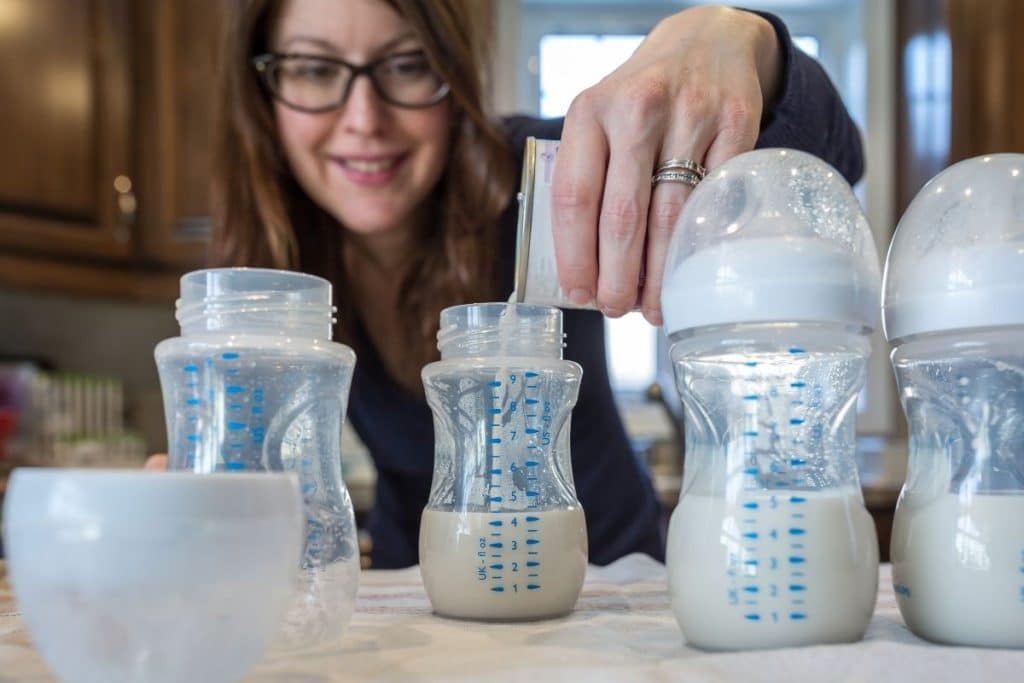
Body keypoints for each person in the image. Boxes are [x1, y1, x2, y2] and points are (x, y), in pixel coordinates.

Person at [148, 0, 863, 569]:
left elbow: (831, 156)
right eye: (312, 69)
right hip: (421, 591)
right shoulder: (283, 261)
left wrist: (739, 40)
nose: (363, 120)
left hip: (608, 583)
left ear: (453, 76)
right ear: (262, 87)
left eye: (405, 65)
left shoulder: (543, 183)